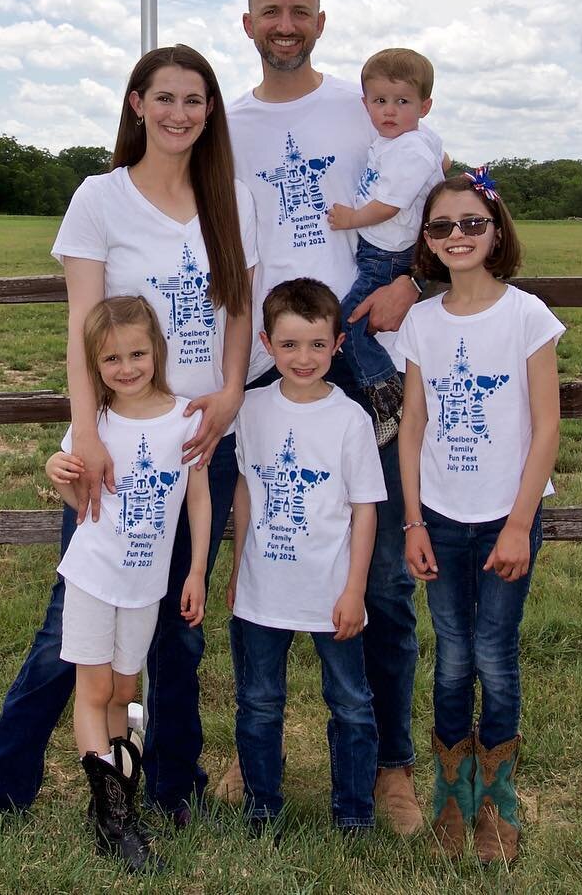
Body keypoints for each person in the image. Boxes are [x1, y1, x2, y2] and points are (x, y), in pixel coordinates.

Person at [0, 44, 256, 845]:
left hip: (200, 438)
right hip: (116, 446)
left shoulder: (232, 197)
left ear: (210, 113)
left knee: (180, 622)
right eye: (165, 97)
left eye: (196, 100)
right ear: (137, 102)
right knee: (69, 626)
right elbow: (82, 332)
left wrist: (233, 390)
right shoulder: (99, 198)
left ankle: (175, 785)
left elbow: (239, 310)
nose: (180, 112)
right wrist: (88, 437)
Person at [225, 0, 426, 833]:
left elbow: (455, 204)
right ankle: (251, 748)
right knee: (261, 544)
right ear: (247, 23)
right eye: (271, 10)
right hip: (270, 359)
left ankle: (391, 765)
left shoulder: (370, 107)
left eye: (300, 10)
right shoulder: (224, 124)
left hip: (357, 353)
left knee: (380, 580)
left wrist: (414, 278)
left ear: (321, 21)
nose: (286, 23)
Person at [397, 168, 563, 866]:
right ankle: (450, 793)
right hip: (439, 514)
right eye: (442, 227)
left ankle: (498, 799)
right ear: (427, 243)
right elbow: (411, 424)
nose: (457, 236)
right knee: (451, 656)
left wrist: (521, 521)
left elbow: (548, 425)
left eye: (471, 222)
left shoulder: (526, 314)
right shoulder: (421, 321)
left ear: (496, 230)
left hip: (505, 517)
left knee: (495, 654)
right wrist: (412, 521)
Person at [50, 295, 210, 872]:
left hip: (148, 583)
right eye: (111, 359)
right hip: (94, 576)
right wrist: (55, 469)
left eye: (137, 353)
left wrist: (194, 571)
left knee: (124, 694)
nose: (126, 367)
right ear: (95, 365)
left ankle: (112, 802)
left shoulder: (186, 416)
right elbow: (77, 496)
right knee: (94, 694)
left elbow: (198, 496)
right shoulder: (92, 424)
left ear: (156, 351)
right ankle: (117, 820)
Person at [227, 279, 386, 833]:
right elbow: (246, 488)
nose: (303, 358)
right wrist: (236, 568)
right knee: (259, 702)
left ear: (339, 344)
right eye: (290, 345)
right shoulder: (249, 408)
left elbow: (366, 509)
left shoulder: (350, 420)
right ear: (267, 345)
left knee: (350, 704)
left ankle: (354, 813)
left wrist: (355, 590)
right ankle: (262, 808)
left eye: (317, 345)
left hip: (332, 590)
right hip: (262, 588)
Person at [327, 47, 445, 442]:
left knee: (348, 321)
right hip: (380, 253)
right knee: (353, 322)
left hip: (387, 257)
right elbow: (441, 158)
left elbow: (391, 205)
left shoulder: (409, 146)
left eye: (402, 102)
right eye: (380, 102)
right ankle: (387, 392)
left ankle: (386, 396)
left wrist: (351, 218)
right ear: (366, 104)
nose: (390, 111)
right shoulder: (401, 141)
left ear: (424, 106)